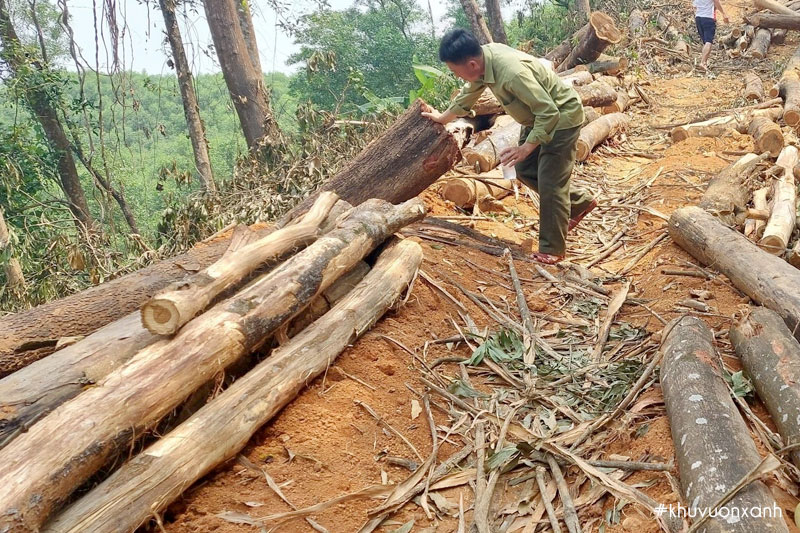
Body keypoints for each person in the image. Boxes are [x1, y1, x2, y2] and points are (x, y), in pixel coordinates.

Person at [422, 29, 597, 265]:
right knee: (524, 168)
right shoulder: (484, 63)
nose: (456, 75)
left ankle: (552, 249)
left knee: (550, 181)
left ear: (471, 64)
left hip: (561, 117)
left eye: (455, 71)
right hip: (536, 119)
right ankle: (579, 203)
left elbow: (549, 112)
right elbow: (468, 94)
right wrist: (443, 118)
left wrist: (525, 147)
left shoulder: (512, 73)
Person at [694, 0, 729, 70]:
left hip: (698, 18)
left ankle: (705, 62)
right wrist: (724, 14)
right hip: (708, 18)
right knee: (708, 42)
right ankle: (703, 62)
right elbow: (716, 1)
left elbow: (694, 7)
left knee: (705, 42)